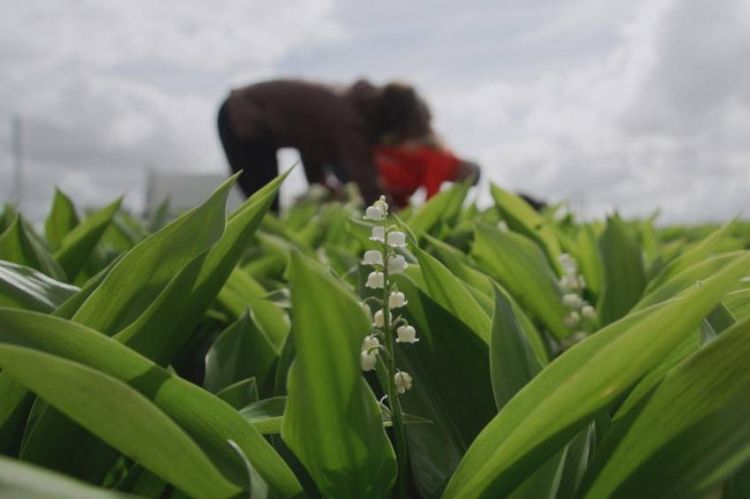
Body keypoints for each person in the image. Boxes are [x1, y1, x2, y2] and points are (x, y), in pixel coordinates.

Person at [217, 78, 433, 210]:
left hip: (250, 117)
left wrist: (320, 182)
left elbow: (309, 143)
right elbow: (365, 179)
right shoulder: (349, 119)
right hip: (242, 115)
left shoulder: (352, 105)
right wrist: (391, 214)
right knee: (263, 206)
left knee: (266, 205)